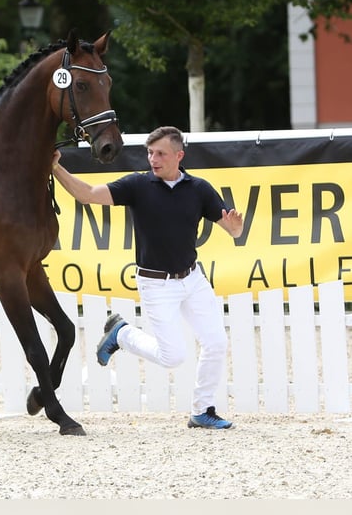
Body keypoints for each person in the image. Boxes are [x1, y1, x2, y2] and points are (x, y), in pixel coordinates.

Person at [51, 125, 244, 429]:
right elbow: (86, 195)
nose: (153, 159)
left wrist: (235, 226)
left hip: (193, 280)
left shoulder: (199, 189)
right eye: (150, 153)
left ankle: (201, 411)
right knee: (173, 357)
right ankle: (122, 334)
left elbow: (234, 231)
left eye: (160, 153)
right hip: (156, 284)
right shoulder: (137, 186)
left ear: (179, 155)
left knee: (217, 343)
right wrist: (55, 167)